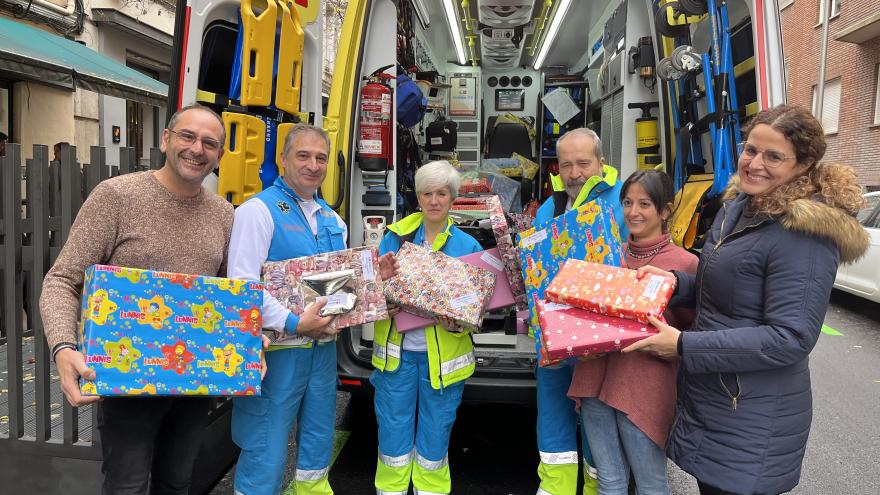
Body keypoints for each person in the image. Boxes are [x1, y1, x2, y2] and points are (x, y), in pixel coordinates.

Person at [625, 105, 869, 495]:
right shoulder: (741, 207)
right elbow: (728, 287)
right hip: (721, 401)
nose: (754, 164)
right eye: (751, 149)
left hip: (751, 412)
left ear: (803, 164)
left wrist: (684, 345)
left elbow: (790, 338)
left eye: (773, 156)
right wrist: (674, 283)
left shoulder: (802, 235)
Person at [40, 103, 235, 494]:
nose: (197, 149)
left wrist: (248, 340)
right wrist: (63, 348)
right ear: (165, 140)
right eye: (187, 136)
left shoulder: (224, 214)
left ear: (219, 155)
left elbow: (226, 300)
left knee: (178, 483)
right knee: (126, 486)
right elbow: (61, 280)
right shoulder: (117, 196)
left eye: (210, 143)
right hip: (126, 379)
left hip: (192, 383)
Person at [228, 123, 397, 495]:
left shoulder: (331, 219)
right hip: (278, 351)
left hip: (322, 352)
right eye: (303, 155)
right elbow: (241, 286)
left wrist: (374, 282)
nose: (313, 165)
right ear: (283, 159)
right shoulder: (257, 212)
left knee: (317, 448)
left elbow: (339, 284)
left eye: (321, 157)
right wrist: (293, 322)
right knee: (265, 450)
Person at [568, 170, 698, 494]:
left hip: (644, 387)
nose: (633, 212)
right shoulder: (606, 253)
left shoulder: (685, 263)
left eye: (644, 204)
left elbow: (691, 331)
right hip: (595, 377)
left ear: (665, 210)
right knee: (608, 481)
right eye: (627, 202)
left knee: (651, 485)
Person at [371, 160, 482, 495]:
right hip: (397, 358)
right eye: (427, 193)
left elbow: (476, 312)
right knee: (392, 436)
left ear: (452, 198)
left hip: (443, 363)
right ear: (418, 197)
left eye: (442, 193)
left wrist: (460, 324)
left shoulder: (468, 247)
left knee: (435, 438)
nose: (434, 201)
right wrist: (380, 296)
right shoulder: (393, 238)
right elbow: (367, 295)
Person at [532, 127, 629, 495]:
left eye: (583, 163)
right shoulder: (550, 207)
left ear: (601, 163)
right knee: (553, 414)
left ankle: (595, 486)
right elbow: (536, 273)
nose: (574, 173)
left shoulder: (625, 200)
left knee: (597, 418)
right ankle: (554, 488)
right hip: (556, 332)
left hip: (600, 334)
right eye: (566, 165)